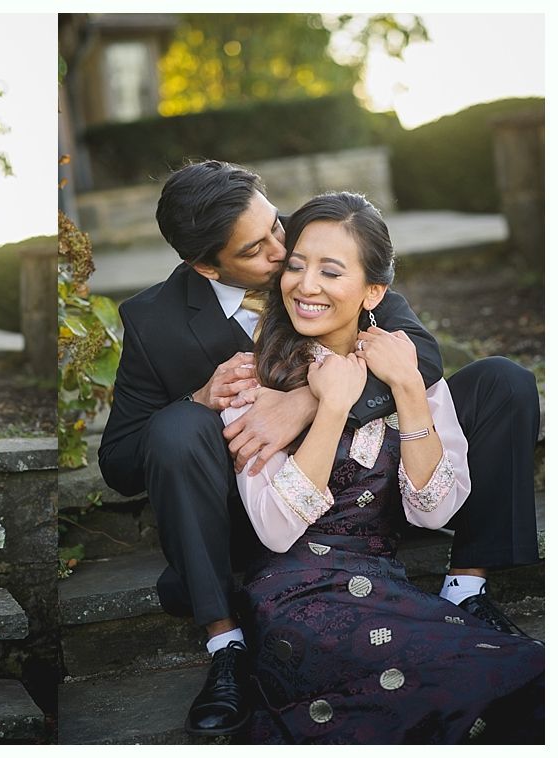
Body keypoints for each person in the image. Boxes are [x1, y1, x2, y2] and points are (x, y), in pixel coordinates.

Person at [98, 161, 541, 737]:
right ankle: (225, 642)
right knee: (177, 426)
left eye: (277, 225)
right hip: (262, 517)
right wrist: (201, 397)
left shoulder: (320, 255)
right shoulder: (155, 321)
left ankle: (467, 587)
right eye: (259, 249)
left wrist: (311, 398)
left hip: (375, 486)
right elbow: (121, 463)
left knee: (504, 381)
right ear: (206, 265)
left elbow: (421, 359)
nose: (285, 254)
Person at [222, 192, 543, 743]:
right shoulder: (253, 380)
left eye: (330, 271)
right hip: (295, 597)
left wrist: (410, 391)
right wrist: (330, 408)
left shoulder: (402, 362)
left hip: (383, 583)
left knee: (526, 678)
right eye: (295, 266)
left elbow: (434, 510)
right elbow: (275, 529)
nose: (306, 284)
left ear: (374, 291)